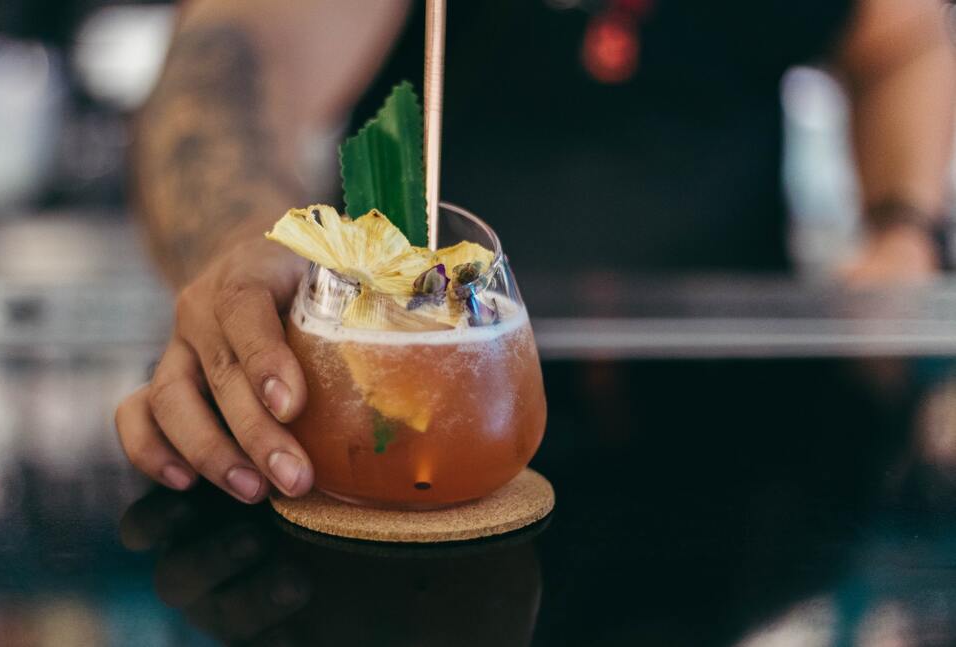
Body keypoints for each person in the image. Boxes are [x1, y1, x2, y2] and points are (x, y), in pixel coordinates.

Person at [114, 0, 956, 502]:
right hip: (397, 415)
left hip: (745, 437)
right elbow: (233, 57)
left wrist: (901, 226)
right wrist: (240, 246)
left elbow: (900, 40)